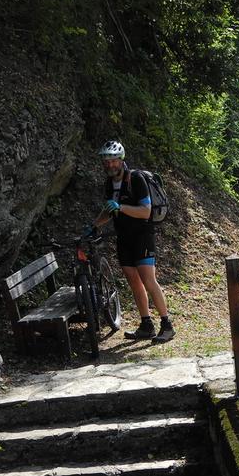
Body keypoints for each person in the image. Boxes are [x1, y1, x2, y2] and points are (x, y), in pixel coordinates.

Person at [90, 140, 175, 343]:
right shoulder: (109, 184)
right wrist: (94, 225)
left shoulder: (135, 179)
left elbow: (145, 211)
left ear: (121, 160)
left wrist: (120, 207)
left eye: (113, 160)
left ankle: (167, 325)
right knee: (133, 281)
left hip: (142, 236)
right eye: (106, 161)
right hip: (123, 237)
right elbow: (109, 211)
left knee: (148, 279)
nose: (109, 165)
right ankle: (146, 325)